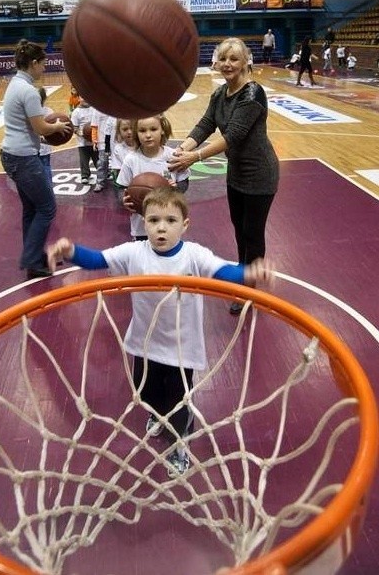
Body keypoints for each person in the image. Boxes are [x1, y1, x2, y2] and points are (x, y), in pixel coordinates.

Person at [46, 186, 274, 477]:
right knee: (148, 393)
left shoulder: (194, 255)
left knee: (179, 402)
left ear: (185, 225)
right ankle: (156, 414)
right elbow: (97, 260)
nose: (161, 228)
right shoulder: (133, 252)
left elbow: (224, 272)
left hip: (182, 348)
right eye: (153, 221)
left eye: (170, 220)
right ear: (143, 223)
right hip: (145, 343)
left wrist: (249, 273)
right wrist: (71, 251)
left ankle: (180, 446)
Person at [167, 37, 279, 316]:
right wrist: (183, 147)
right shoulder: (220, 94)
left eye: (234, 59)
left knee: (252, 234)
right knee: (240, 231)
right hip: (237, 173)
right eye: (223, 59)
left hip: (260, 174)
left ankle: (249, 293)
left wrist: (195, 157)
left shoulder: (253, 94)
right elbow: (206, 123)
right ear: (216, 61)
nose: (227, 64)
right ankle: (244, 280)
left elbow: (234, 136)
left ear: (245, 63)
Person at [0, 39, 71, 280]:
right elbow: (41, 128)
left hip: (11, 154)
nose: (45, 68)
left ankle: (34, 256)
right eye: (43, 64)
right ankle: (31, 258)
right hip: (23, 158)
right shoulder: (29, 91)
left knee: (31, 208)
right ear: (33, 63)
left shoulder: (15, 83)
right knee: (47, 207)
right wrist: (59, 125)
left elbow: (29, 128)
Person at [116, 114, 190, 241]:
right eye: (142, 130)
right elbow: (121, 187)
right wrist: (123, 200)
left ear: (162, 130)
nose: (148, 135)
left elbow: (184, 180)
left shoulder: (173, 156)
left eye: (153, 129)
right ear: (136, 133)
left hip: (169, 221)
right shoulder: (131, 160)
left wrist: (177, 189)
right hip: (141, 226)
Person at [70, 95, 98, 185]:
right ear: (78, 99)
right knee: (84, 160)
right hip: (83, 142)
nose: (85, 99)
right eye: (82, 97)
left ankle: (103, 173)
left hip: (94, 141)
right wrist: (81, 133)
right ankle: (85, 175)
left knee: (98, 159)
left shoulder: (94, 109)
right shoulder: (76, 112)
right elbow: (74, 128)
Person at [90, 107, 111, 193]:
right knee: (102, 162)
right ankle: (100, 182)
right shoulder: (97, 110)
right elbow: (94, 127)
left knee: (120, 161)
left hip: (117, 141)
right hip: (102, 141)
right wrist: (94, 141)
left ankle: (121, 181)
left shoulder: (116, 107)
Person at [38, 86, 54, 186]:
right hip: (45, 146)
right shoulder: (50, 111)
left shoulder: (29, 112)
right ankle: (49, 188)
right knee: (46, 167)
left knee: (37, 169)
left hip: (36, 146)